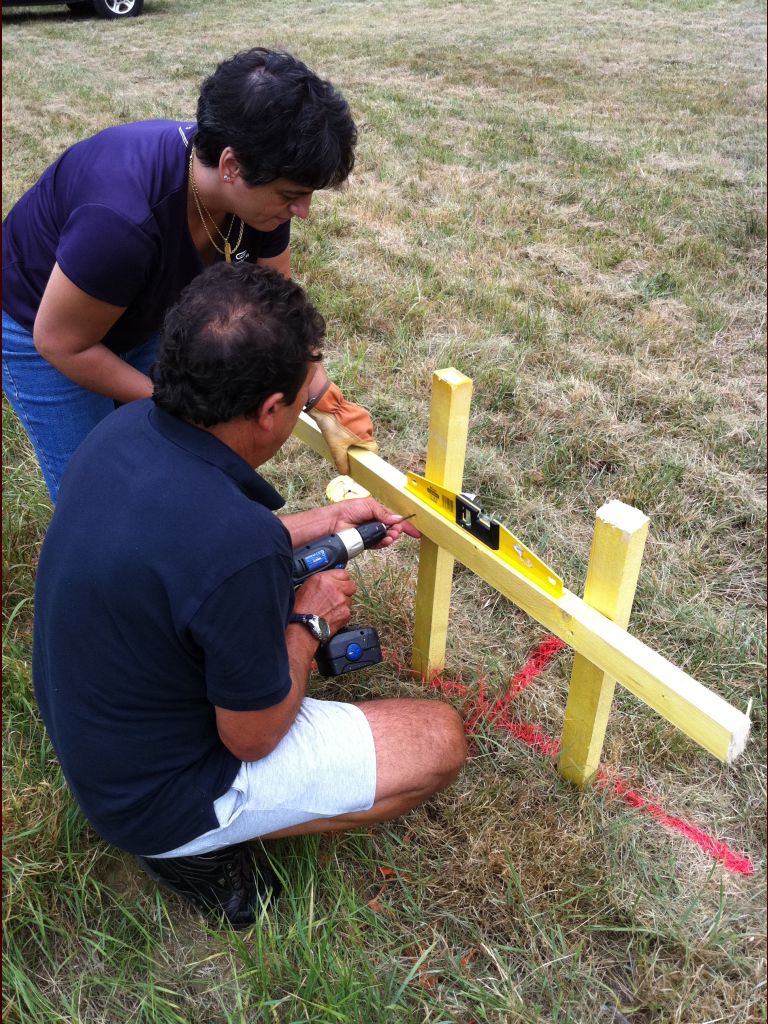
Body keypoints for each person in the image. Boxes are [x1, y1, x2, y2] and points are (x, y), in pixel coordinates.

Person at [32, 262, 467, 929]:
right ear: (269, 412)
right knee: (438, 740)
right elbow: (254, 736)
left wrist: (320, 524)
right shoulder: (236, 547)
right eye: (298, 404)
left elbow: (189, 550)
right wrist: (308, 623)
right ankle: (190, 851)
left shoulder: (123, 432)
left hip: (95, 744)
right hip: (156, 797)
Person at [2, 47, 376, 503]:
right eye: (293, 195)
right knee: (96, 489)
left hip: (134, 304)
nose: (304, 210)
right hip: (42, 325)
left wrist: (324, 399)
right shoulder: (122, 221)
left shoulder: (261, 196)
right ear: (232, 166)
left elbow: (277, 314)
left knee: (168, 465)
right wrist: (184, 411)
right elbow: (61, 342)